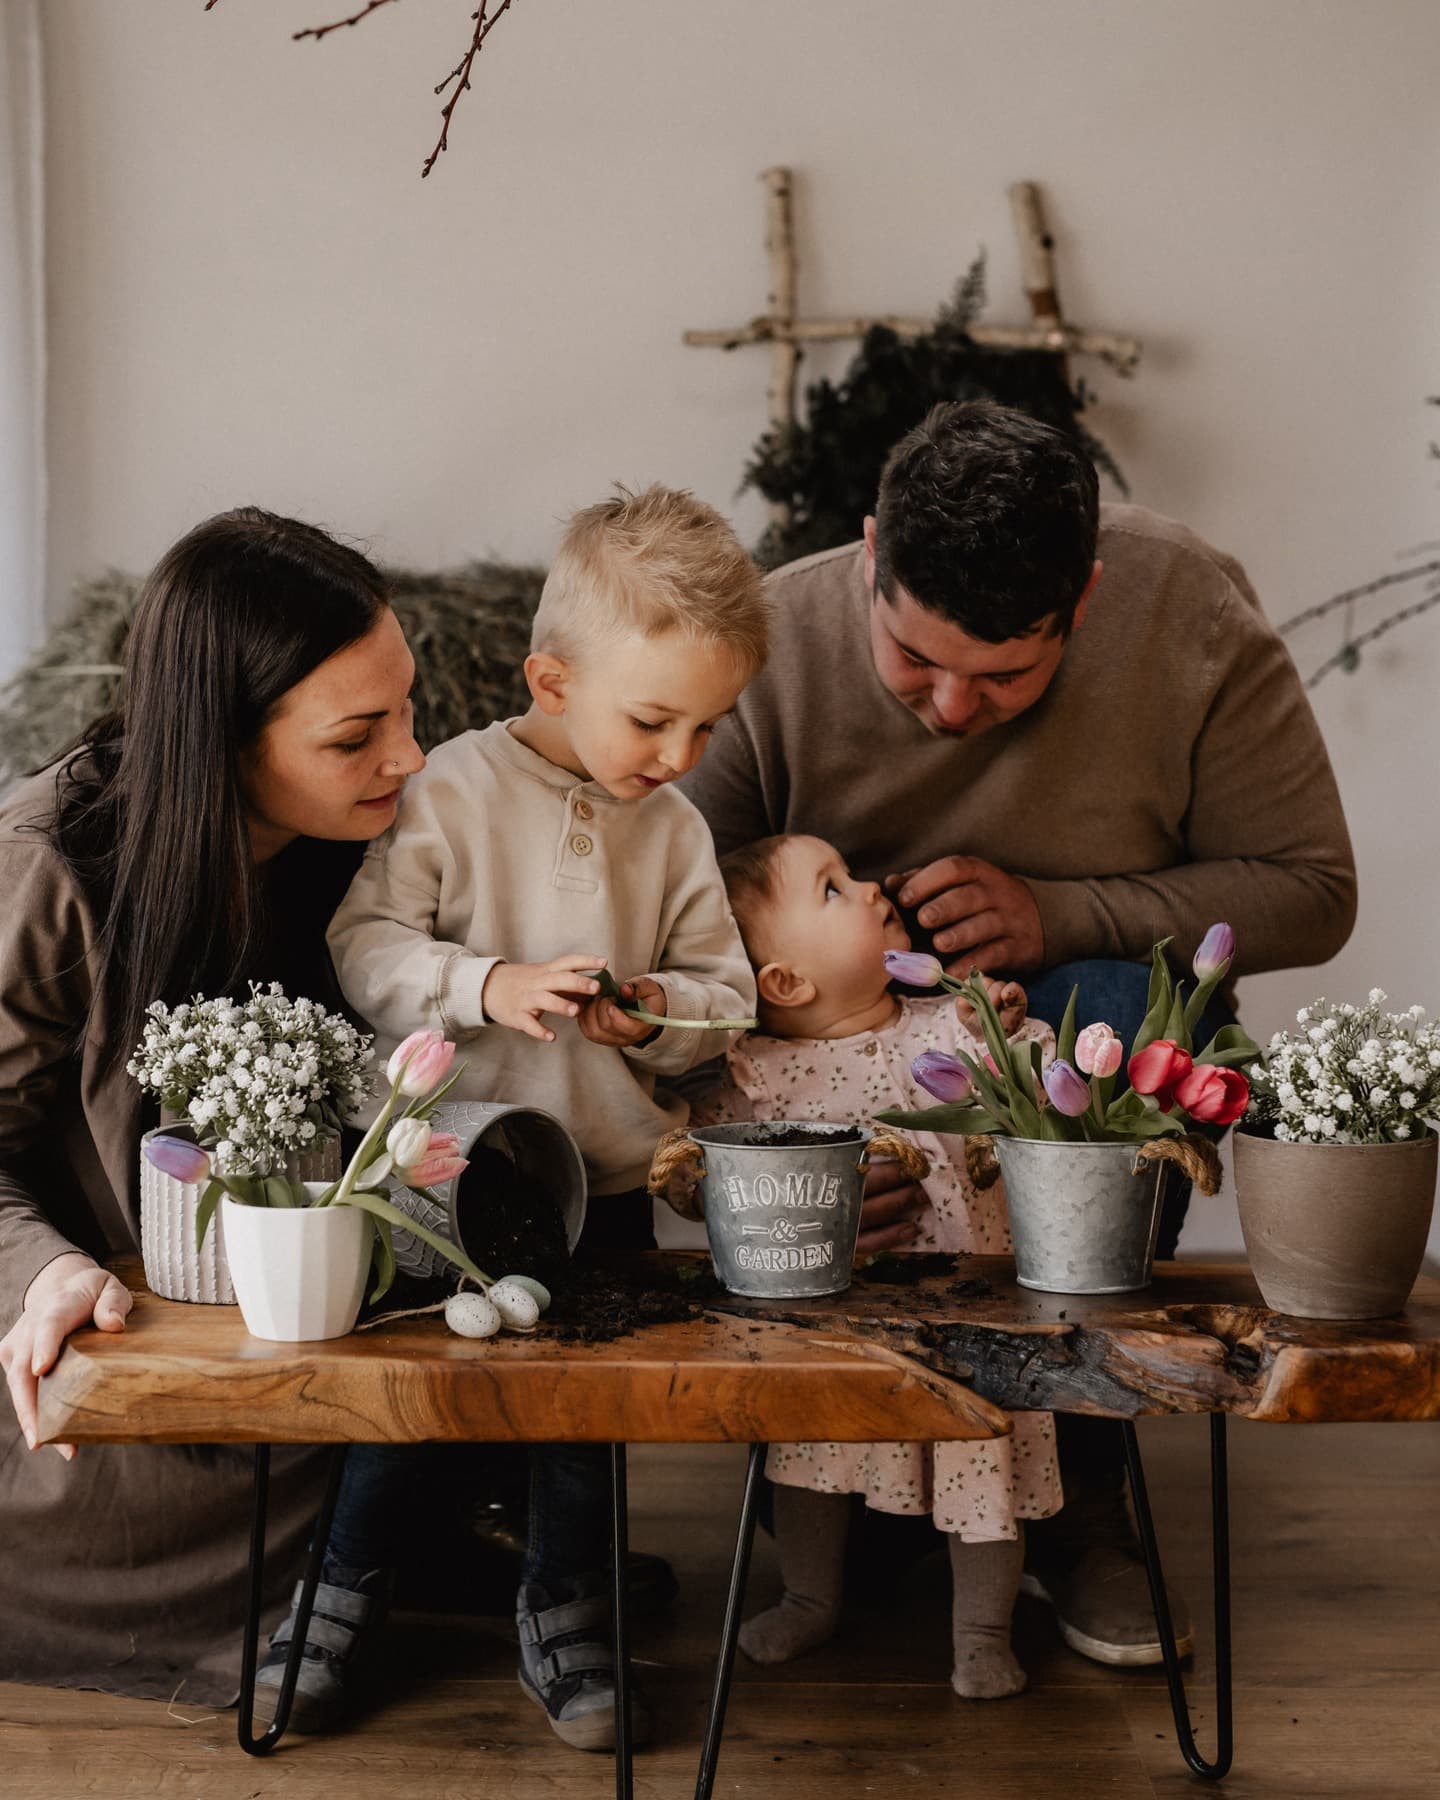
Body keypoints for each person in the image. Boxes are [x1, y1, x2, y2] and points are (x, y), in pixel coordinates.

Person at [679, 399, 1357, 1669]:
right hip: (846, 1057)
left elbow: (1316, 887)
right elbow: (674, 927)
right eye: (914, 658)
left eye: (1005, 676)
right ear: (872, 552)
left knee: (1107, 999)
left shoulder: (1191, 614)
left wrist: (1062, 915)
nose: (951, 706)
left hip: (1087, 1043)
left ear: (1085, 597)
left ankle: (1084, 1494)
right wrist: (799, 1152)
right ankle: (867, 1444)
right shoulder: (773, 639)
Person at [327, 483, 768, 1749]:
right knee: (411, 1401)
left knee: (588, 1423)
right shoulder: (450, 791)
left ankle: (568, 1602)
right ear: (552, 677)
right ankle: (343, 1585)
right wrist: (485, 985)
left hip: (611, 1179)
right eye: (653, 719)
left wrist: (658, 1014)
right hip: (441, 1168)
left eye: (708, 724)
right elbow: (362, 947)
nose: (682, 754)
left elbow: (725, 1003)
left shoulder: (675, 831)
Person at [0, 508, 425, 1703]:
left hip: (327, 1319)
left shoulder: (379, 843)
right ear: (223, 744)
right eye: (359, 735)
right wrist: (43, 1274)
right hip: (132, 1336)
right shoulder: (52, 868)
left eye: (409, 709)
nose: (411, 757)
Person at [666, 832, 1061, 1697]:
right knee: (809, 1460)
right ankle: (810, 1597)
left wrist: (1003, 1026)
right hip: (836, 1322)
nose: (874, 885)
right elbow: (697, 1169)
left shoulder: (945, 1028)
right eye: (835, 889)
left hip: (971, 1320)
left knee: (983, 1464)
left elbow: (1046, 1091)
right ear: (786, 983)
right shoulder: (756, 1081)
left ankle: (983, 1631)